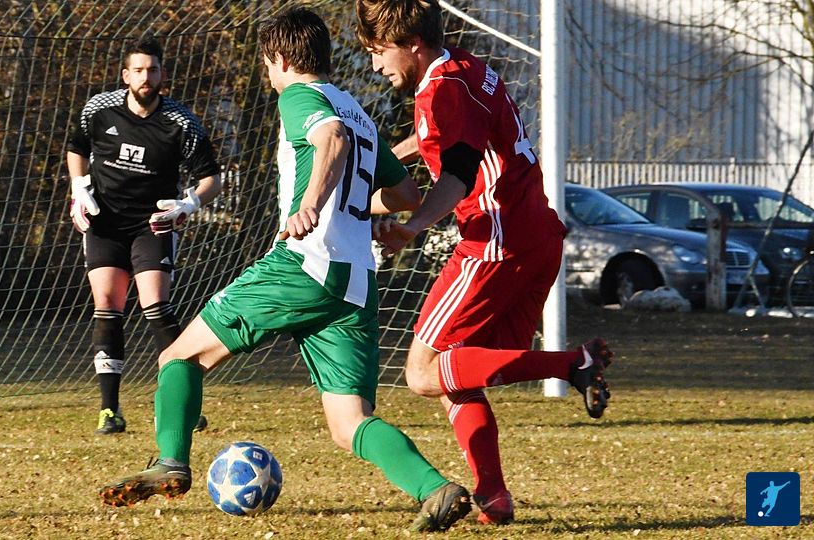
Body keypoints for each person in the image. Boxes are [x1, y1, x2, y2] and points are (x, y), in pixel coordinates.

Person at [99, 8, 472, 532]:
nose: (268, 73)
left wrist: (313, 204)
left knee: (180, 355)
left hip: (303, 263)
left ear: (279, 58)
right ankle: (435, 488)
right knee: (349, 423)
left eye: (266, 62)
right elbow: (407, 193)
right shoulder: (357, 110)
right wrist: (353, 209)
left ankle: (171, 462)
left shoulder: (299, 96)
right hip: (355, 282)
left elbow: (331, 139)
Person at [355, 0, 614, 525]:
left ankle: (571, 364)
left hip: (494, 242)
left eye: (379, 52)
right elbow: (441, 135)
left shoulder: (442, 88)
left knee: (422, 374)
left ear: (412, 44)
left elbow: (458, 176)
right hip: (536, 236)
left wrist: (412, 226)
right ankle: (494, 497)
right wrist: (382, 161)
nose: (376, 65)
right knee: (458, 370)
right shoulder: (464, 66)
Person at [66, 37, 221, 435]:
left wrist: (188, 205)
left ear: (162, 74)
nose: (145, 77)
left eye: (152, 70)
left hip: (152, 225)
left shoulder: (180, 122)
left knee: (155, 306)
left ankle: (183, 402)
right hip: (104, 224)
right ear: (125, 75)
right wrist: (78, 189)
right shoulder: (99, 109)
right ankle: (109, 411)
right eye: (138, 70)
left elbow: (211, 179)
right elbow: (76, 148)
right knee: (106, 305)